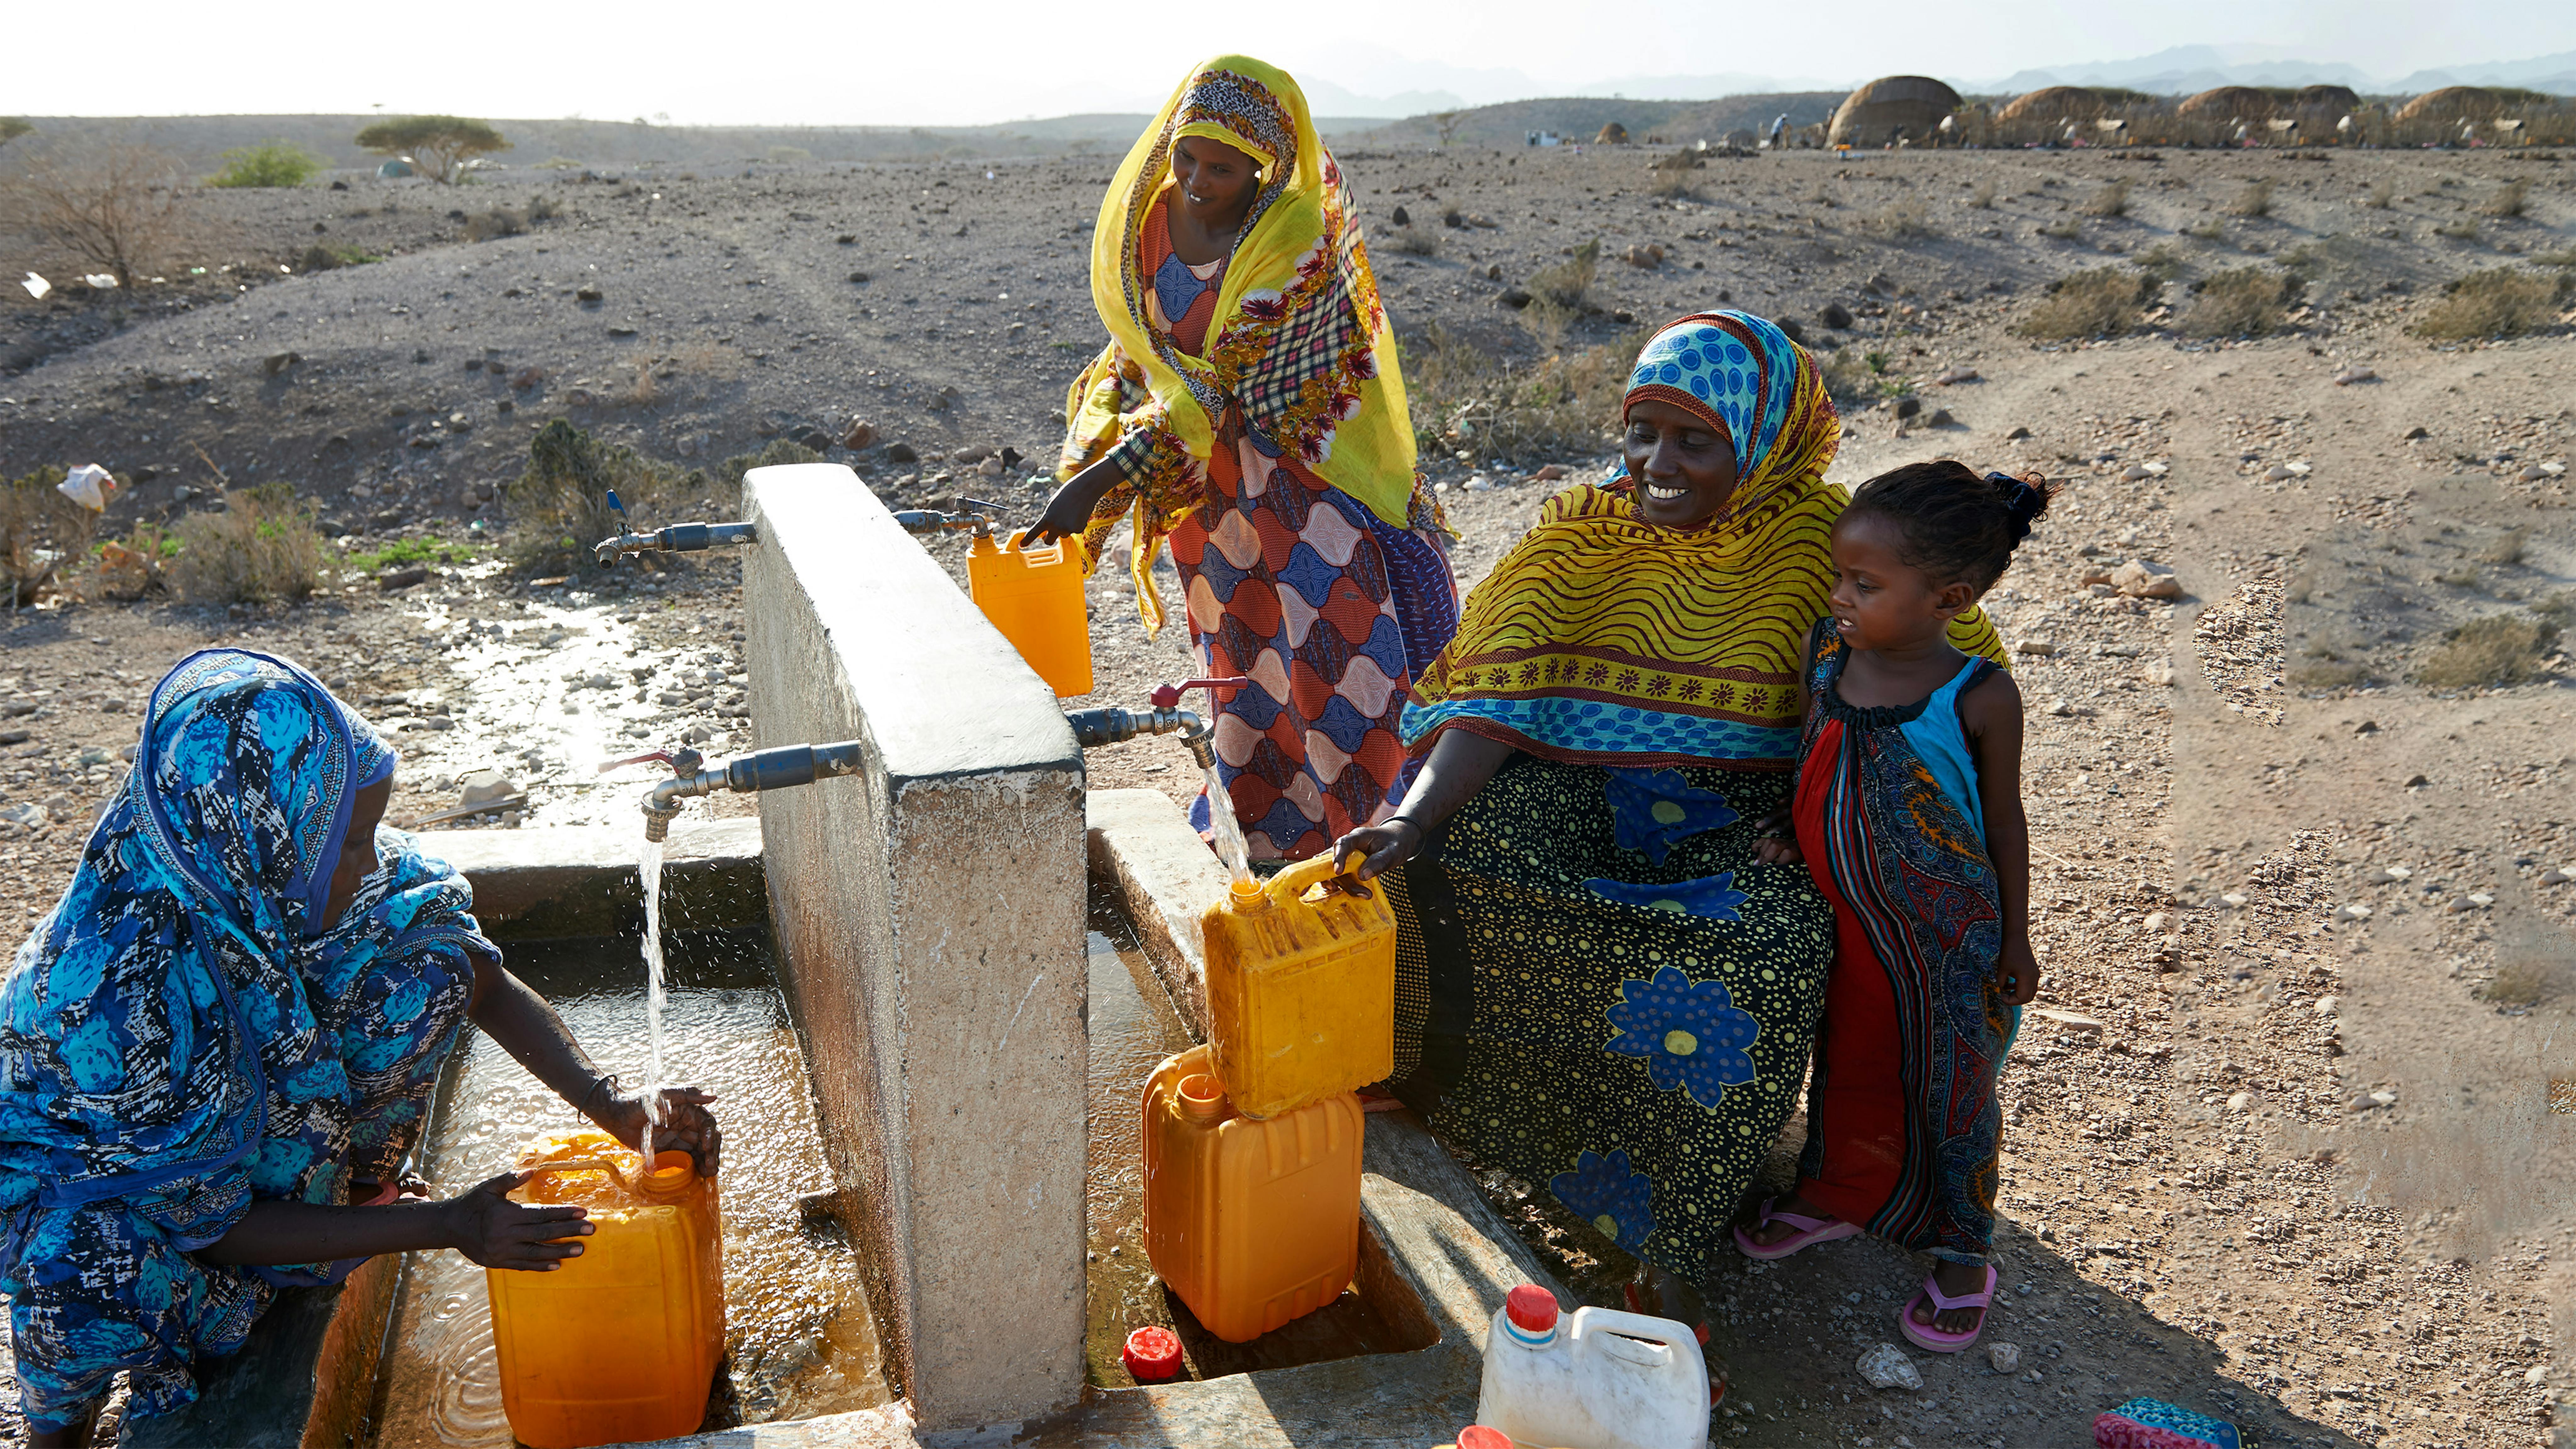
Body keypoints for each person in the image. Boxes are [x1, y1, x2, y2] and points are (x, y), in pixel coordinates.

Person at [1329, 313, 2006, 1374]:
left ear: (1765, 436)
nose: (1656, 464)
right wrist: (1413, 819)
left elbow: (1937, 701)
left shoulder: (1822, 546)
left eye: (1696, 440)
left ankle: (1663, 1238)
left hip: (1746, 829)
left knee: (1772, 947)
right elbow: (1494, 693)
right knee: (1447, 865)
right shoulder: (1582, 530)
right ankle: (1458, 1097)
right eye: (1642, 431)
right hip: (1578, 793)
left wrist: (1821, 824)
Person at [0, 650, 720, 1444]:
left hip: (234, 1165)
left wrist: (609, 1102)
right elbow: (212, 1227)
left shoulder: (254, 864)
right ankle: (60, 1429)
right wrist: (445, 1225)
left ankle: (348, 1199)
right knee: (79, 1272)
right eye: (350, 841)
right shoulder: (104, 1001)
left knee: (424, 956)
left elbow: (479, 980)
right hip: (142, 1211)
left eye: (370, 830)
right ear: (262, 829)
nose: (370, 863)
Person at [1027, 54, 1458, 863]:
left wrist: (1097, 482)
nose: (1195, 180)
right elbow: (1141, 354)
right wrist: (1089, 458)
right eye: (1185, 157)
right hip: (1210, 495)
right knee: (1244, 664)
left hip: (1307, 477)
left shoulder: (1293, 236)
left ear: (1263, 164)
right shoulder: (1148, 226)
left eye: (1221, 168)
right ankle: (1268, 840)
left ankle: (1382, 839)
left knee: (1340, 659)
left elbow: (1217, 384)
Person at [1735, 462, 2050, 1353]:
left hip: (1949, 940)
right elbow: (1820, 759)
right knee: (1851, 1065)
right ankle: (1833, 1196)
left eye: (1864, 585)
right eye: (1840, 575)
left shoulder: (1978, 696)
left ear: (1948, 597)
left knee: (1949, 1088)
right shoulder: (1825, 659)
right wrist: (1802, 829)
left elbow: (2004, 821)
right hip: (1851, 929)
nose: (1839, 596)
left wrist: (2017, 940)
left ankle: (1961, 1251)